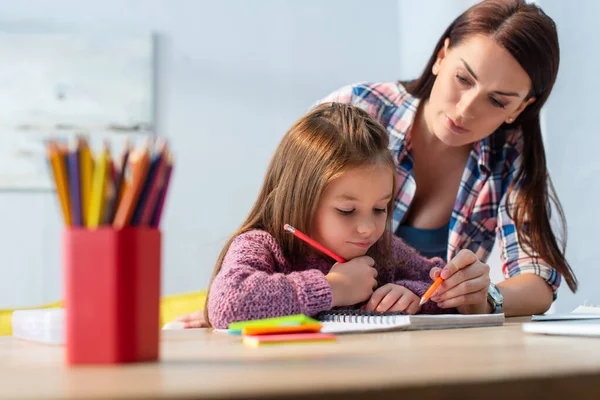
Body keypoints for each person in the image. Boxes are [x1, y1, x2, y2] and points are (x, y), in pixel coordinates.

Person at [175, 0, 578, 328]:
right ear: (441, 56)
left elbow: (534, 280)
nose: (466, 109)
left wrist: (470, 296)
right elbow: (279, 228)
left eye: (497, 100)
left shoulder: (511, 153)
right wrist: (300, 294)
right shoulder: (355, 112)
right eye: (464, 78)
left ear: (520, 108)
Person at [206, 103, 454, 329]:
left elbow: (441, 283)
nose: (367, 228)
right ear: (299, 199)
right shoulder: (263, 246)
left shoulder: (382, 250)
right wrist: (333, 288)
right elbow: (228, 303)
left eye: (380, 209)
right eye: (347, 211)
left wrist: (412, 295)